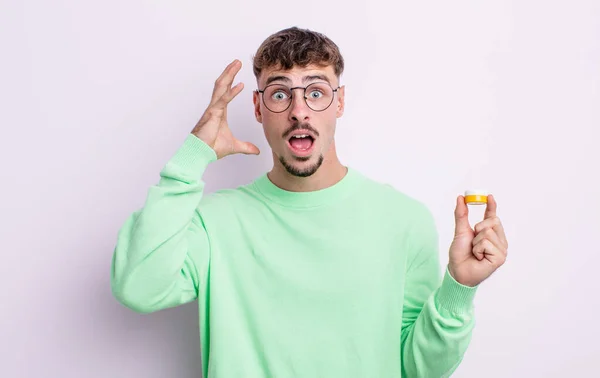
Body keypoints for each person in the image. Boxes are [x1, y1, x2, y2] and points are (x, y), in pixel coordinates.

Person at [110, 26, 508, 378]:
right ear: (258, 108)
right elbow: (139, 287)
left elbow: (418, 369)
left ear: (339, 102)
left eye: (316, 92)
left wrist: (459, 289)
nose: (299, 111)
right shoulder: (214, 222)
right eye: (280, 93)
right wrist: (192, 154)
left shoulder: (403, 220)